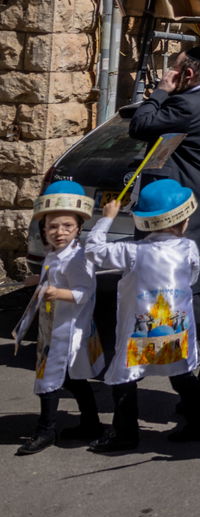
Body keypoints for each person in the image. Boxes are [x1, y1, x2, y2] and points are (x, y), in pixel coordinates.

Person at [85, 179, 200, 451]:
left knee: (126, 379)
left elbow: (92, 251)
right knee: (182, 373)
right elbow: (193, 277)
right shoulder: (188, 248)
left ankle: (125, 435)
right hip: (177, 327)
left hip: (140, 329)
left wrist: (107, 219)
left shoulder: (131, 252)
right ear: (184, 221)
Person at [127, 45, 200, 335]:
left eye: (175, 69)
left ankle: (186, 332)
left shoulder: (186, 105)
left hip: (181, 208)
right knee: (196, 273)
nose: (171, 74)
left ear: (188, 74)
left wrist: (160, 92)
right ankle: (193, 339)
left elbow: (140, 125)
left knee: (170, 275)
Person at [15, 182, 105, 455]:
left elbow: (84, 292)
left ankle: (46, 430)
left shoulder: (77, 258)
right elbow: (52, 275)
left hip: (68, 330)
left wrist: (56, 292)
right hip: (52, 327)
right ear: (44, 230)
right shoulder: (54, 255)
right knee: (72, 380)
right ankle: (91, 423)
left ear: (79, 227)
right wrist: (39, 279)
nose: (59, 232)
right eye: (52, 226)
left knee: (49, 380)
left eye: (67, 225)